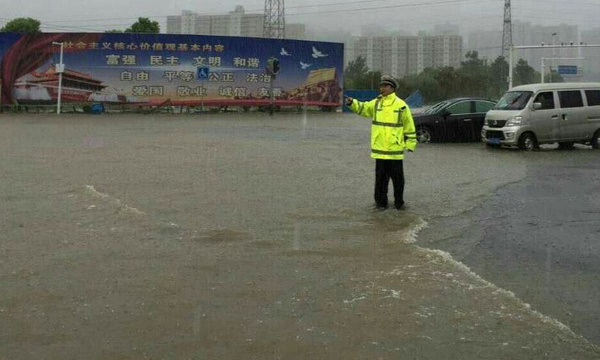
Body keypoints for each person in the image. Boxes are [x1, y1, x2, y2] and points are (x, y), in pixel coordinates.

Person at [345, 75, 417, 210]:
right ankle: (380, 205)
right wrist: (352, 103)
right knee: (380, 181)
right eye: (381, 86)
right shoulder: (377, 102)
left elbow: (409, 125)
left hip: (395, 151)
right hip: (379, 151)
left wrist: (411, 144)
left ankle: (399, 204)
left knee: (398, 181)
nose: (382, 88)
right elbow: (364, 108)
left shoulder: (401, 105)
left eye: (385, 86)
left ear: (392, 88)